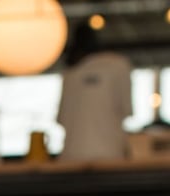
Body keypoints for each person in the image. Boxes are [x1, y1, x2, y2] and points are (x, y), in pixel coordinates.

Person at [57, 19, 133, 163]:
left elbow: (61, 119)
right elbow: (126, 110)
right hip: (110, 156)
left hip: (72, 158)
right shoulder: (119, 66)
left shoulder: (69, 74)